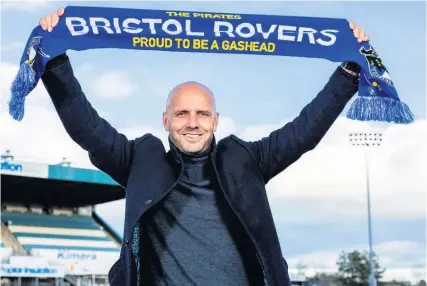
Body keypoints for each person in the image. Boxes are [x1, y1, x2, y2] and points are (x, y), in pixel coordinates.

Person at [39, 7, 370, 286]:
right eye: (182, 113)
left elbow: (303, 132)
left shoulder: (248, 160)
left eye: (202, 114)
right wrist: (54, 61)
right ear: (166, 120)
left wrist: (349, 71)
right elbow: (88, 128)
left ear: (216, 120)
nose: (192, 122)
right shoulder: (139, 160)